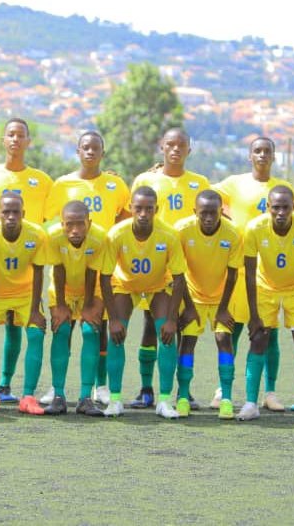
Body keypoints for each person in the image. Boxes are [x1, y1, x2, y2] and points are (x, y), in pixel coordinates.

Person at [40, 130, 129, 405]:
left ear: (103, 153)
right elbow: (52, 220)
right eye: (85, 148)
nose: (90, 152)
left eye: (95, 148)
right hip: (68, 261)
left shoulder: (116, 184)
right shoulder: (62, 185)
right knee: (63, 328)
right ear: (77, 152)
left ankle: (97, 386)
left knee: (96, 327)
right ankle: (57, 389)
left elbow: (125, 217)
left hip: (100, 262)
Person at [0, 118, 52, 403]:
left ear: (29, 141)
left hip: (24, 269)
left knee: (17, 328)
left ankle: (5, 383)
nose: (16, 139)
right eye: (11, 135)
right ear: (3, 140)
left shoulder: (42, 180)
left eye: (21, 135)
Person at [212, 135, 294, 411]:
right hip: (240, 266)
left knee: (267, 332)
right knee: (232, 329)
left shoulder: (282, 189)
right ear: (250, 156)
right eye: (257, 151)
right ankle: (222, 388)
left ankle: (269, 392)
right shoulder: (235, 183)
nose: (262, 155)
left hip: (268, 272)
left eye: (267, 151)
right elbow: (205, 196)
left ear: (274, 157)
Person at [129, 127, 209, 409]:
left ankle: (182, 391)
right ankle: (146, 388)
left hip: (186, 266)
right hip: (154, 264)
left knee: (184, 328)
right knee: (152, 325)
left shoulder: (199, 183)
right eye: (170, 144)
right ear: (161, 147)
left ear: (190, 150)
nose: (175, 149)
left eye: (181, 145)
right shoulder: (146, 179)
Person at [101, 187, 188, 418]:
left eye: (148, 209)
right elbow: (104, 276)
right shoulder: (117, 234)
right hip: (125, 285)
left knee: (167, 335)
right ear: (130, 208)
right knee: (117, 334)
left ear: (156, 210)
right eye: (138, 208)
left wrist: (171, 319)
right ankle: (115, 400)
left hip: (157, 285)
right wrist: (113, 319)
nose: (143, 213)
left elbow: (179, 278)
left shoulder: (168, 235)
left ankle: (164, 401)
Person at [241, 186, 294, 422]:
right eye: (276, 207)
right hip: (265, 288)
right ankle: (250, 404)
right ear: (268, 207)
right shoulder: (255, 228)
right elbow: (248, 272)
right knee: (258, 339)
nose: (280, 212)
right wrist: (254, 315)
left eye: (286, 207)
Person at [0, 192, 49, 414]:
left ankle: (28, 397)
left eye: (16, 212)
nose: (11, 216)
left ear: (23, 214)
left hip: (26, 294)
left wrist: (35, 311)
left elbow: (39, 273)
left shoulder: (37, 235)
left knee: (36, 333)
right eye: (6, 212)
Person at [175, 190, 243, 420]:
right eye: (203, 213)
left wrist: (223, 309)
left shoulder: (233, 234)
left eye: (213, 213)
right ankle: (183, 396)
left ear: (221, 212)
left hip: (220, 298)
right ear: (195, 212)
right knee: (187, 342)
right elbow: (178, 272)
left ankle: (226, 399)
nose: (208, 218)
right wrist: (189, 306)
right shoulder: (182, 230)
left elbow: (233, 275)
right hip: (191, 296)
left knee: (224, 340)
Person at [45, 200, 109, 416]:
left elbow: (93, 273)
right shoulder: (53, 236)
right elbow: (58, 269)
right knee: (61, 329)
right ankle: (58, 396)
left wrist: (89, 306)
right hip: (62, 288)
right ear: (62, 223)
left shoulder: (100, 238)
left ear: (89, 223)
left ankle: (85, 398)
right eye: (69, 224)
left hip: (92, 290)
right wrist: (62, 305)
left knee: (91, 331)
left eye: (80, 224)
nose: (75, 230)